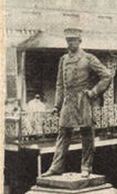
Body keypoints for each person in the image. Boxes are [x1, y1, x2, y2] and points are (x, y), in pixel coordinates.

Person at [41, 28, 112, 178]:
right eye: (68, 40)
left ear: (79, 41)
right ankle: (56, 166)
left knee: (87, 133)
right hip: (68, 101)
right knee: (63, 133)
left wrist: (93, 93)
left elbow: (107, 76)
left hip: (83, 100)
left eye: (73, 40)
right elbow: (60, 84)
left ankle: (86, 167)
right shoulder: (63, 60)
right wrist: (57, 105)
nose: (70, 43)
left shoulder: (88, 58)